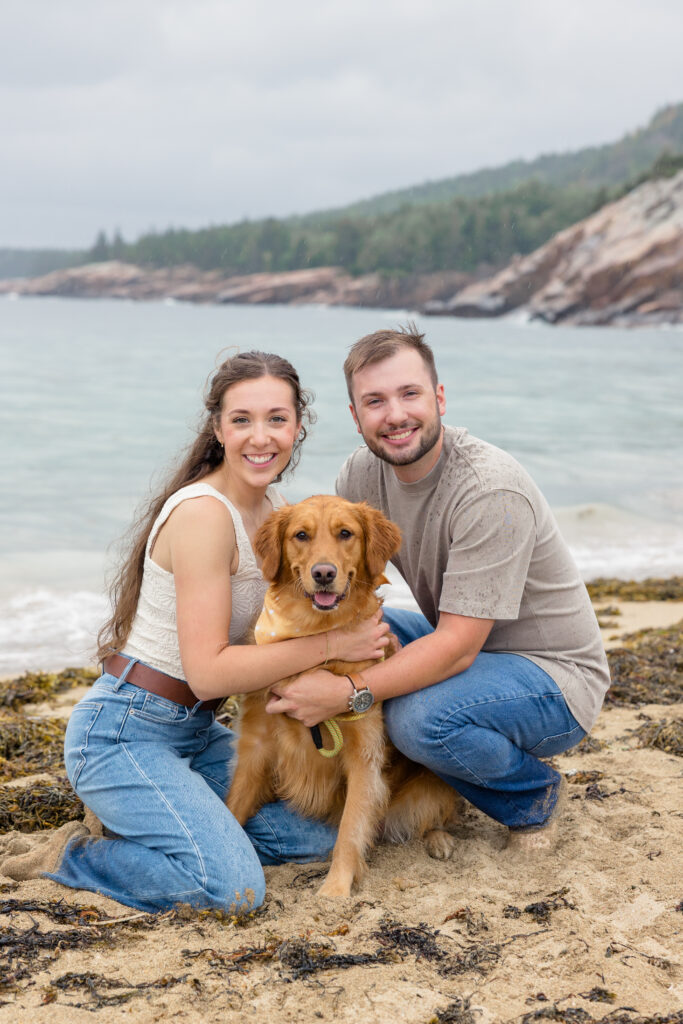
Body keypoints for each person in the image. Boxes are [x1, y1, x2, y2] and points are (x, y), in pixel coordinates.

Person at [0, 351, 389, 912]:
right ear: (218, 429)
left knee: (315, 838)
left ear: (297, 427)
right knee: (233, 888)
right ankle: (72, 856)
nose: (261, 436)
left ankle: (157, 822)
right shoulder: (205, 515)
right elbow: (207, 674)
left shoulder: (279, 512)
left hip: (197, 733)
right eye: (242, 420)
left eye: (277, 419)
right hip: (126, 731)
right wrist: (333, 645)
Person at [265, 326, 611, 850]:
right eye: (375, 401)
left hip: (552, 680)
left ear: (439, 398)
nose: (395, 415)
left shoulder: (490, 490)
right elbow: (352, 597)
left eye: (410, 393)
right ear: (355, 417)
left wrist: (346, 691)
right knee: (355, 635)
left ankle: (531, 797)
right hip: (464, 642)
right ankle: (336, 781)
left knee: (418, 720)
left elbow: (456, 648)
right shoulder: (360, 477)